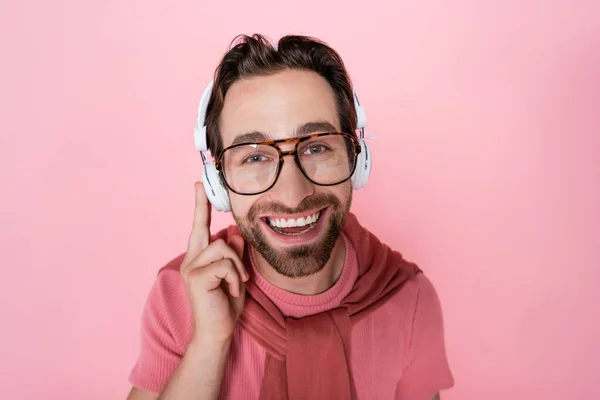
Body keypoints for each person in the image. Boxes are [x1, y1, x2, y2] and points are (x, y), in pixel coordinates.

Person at [126, 33, 454, 400]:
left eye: (316, 147)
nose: (293, 194)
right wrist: (209, 341)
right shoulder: (180, 295)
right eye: (254, 156)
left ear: (356, 159)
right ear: (218, 183)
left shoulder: (410, 298)